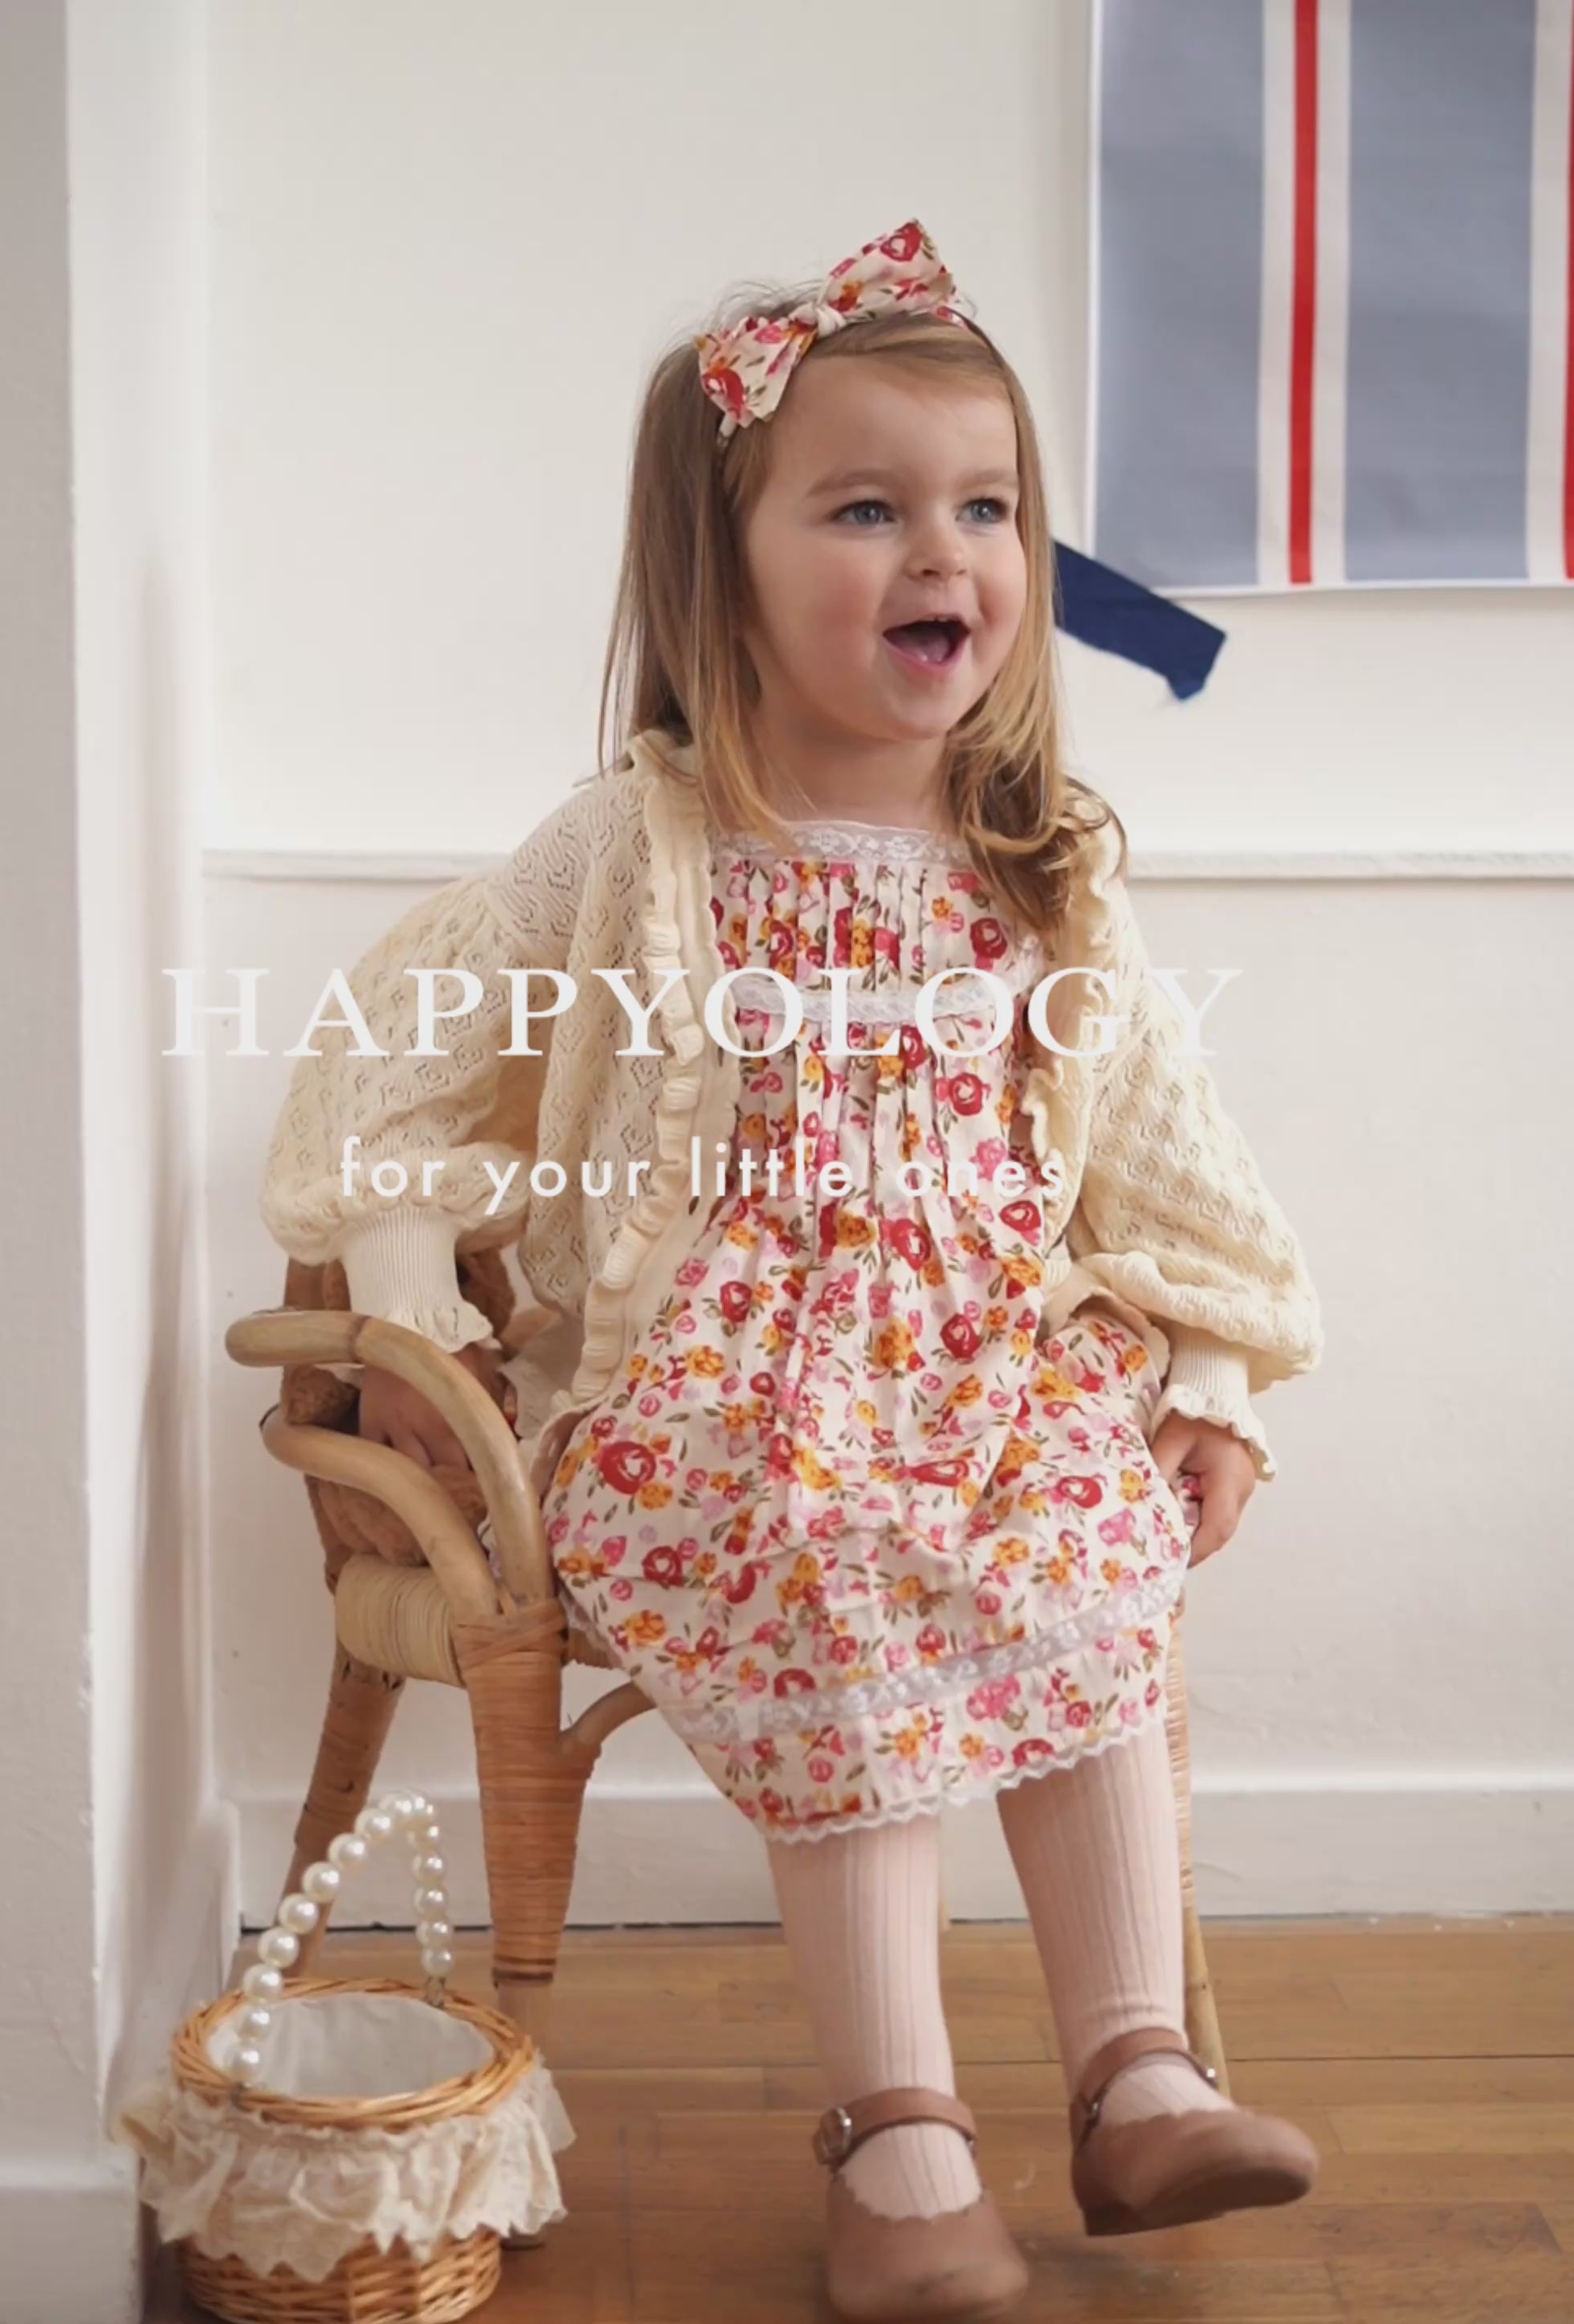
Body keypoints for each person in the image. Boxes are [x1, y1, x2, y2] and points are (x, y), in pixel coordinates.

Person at [259, 219, 1325, 2322]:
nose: (947, 555)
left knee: (1086, 1515)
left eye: (987, 510)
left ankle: (1137, 2073)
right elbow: (397, 1059)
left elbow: (1169, 1161)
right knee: (821, 1536)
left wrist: (1210, 1381)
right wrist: (404, 1295)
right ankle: (897, 2129)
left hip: (987, 1360)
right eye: (867, 510)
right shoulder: (635, 846)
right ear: (719, 566)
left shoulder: (1048, 867)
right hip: (706, 1381)